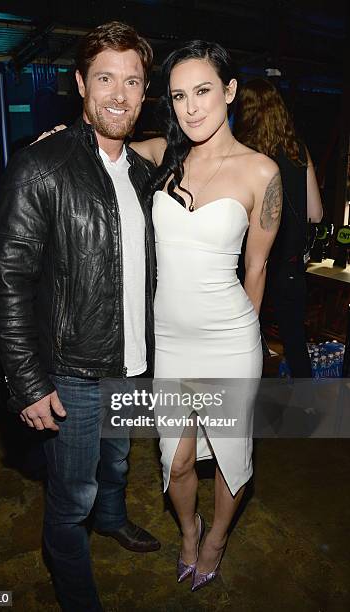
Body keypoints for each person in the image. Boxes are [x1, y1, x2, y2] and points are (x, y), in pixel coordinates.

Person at [40, 40, 282, 592]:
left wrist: (244, 351)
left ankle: (214, 539)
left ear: (230, 92)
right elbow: (99, 142)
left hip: (229, 339)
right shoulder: (162, 155)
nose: (191, 108)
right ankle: (188, 532)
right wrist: (61, 141)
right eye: (178, 96)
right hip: (169, 343)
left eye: (203, 92)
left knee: (229, 458)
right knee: (175, 463)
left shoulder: (262, 171)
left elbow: (259, 268)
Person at [0, 22, 160, 612]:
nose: (119, 94)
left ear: (145, 92)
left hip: (133, 366)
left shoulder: (143, 174)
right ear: (81, 84)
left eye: (132, 80)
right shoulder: (42, 167)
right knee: (70, 501)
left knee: (117, 462)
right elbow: (9, 280)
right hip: (72, 374)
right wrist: (28, 383)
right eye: (106, 78)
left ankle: (113, 520)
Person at [233, 78, 323, 377]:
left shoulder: (243, 155)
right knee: (295, 340)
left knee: (245, 338)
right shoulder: (299, 150)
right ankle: (306, 412)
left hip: (248, 264)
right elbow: (316, 213)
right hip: (289, 262)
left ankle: (247, 411)